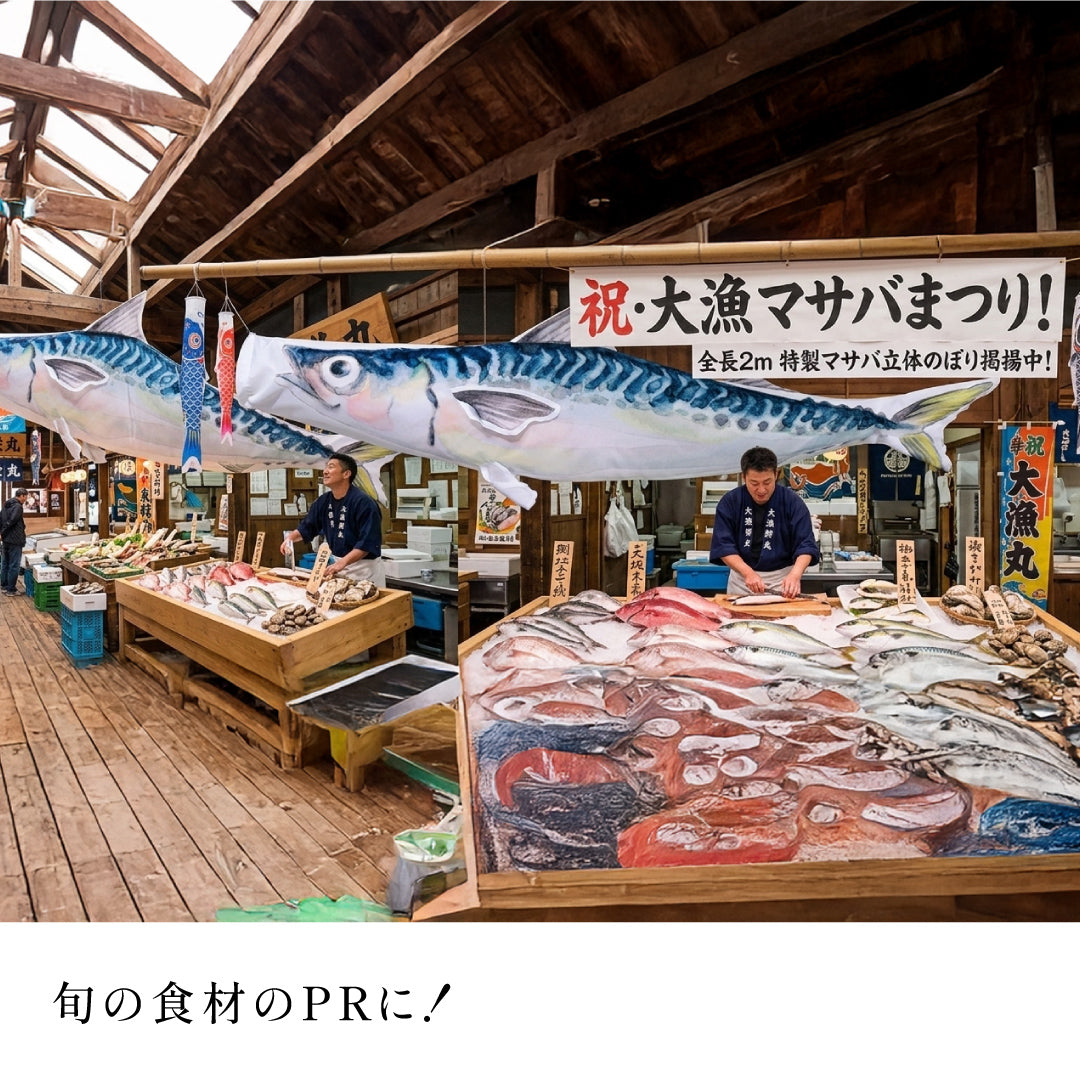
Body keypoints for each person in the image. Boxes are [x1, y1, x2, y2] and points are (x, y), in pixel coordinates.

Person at [710, 447, 819, 598]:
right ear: (744, 477)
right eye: (754, 483)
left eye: (767, 482)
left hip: (782, 583)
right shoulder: (730, 502)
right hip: (742, 581)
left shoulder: (792, 502)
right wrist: (748, 573)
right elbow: (723, 545)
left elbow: (806, 544)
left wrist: (795, 575)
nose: (761, 489)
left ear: (776, 474)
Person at [280, 453, 385, 586]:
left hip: (364, 569)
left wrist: (342, 563)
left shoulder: (364, 503)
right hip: (337, 565)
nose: (325, 471)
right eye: (326, 467)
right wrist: (290, 538)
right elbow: (308, 526)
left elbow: (366, 543)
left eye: (331, 467)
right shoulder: (323, 501)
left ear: (346, 474)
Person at [0, 488, 29, 596]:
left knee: (5, 563)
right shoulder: (17, 506)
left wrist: (1, 533)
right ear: (22, 496)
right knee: (14, 565)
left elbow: (0, 519)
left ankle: (4, 586)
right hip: (15, 540)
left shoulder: (6, 505)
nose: (26, 499)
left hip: (6, 539)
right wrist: (3, 531)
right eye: (25, 497)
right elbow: (12, 521)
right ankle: (11, 589)